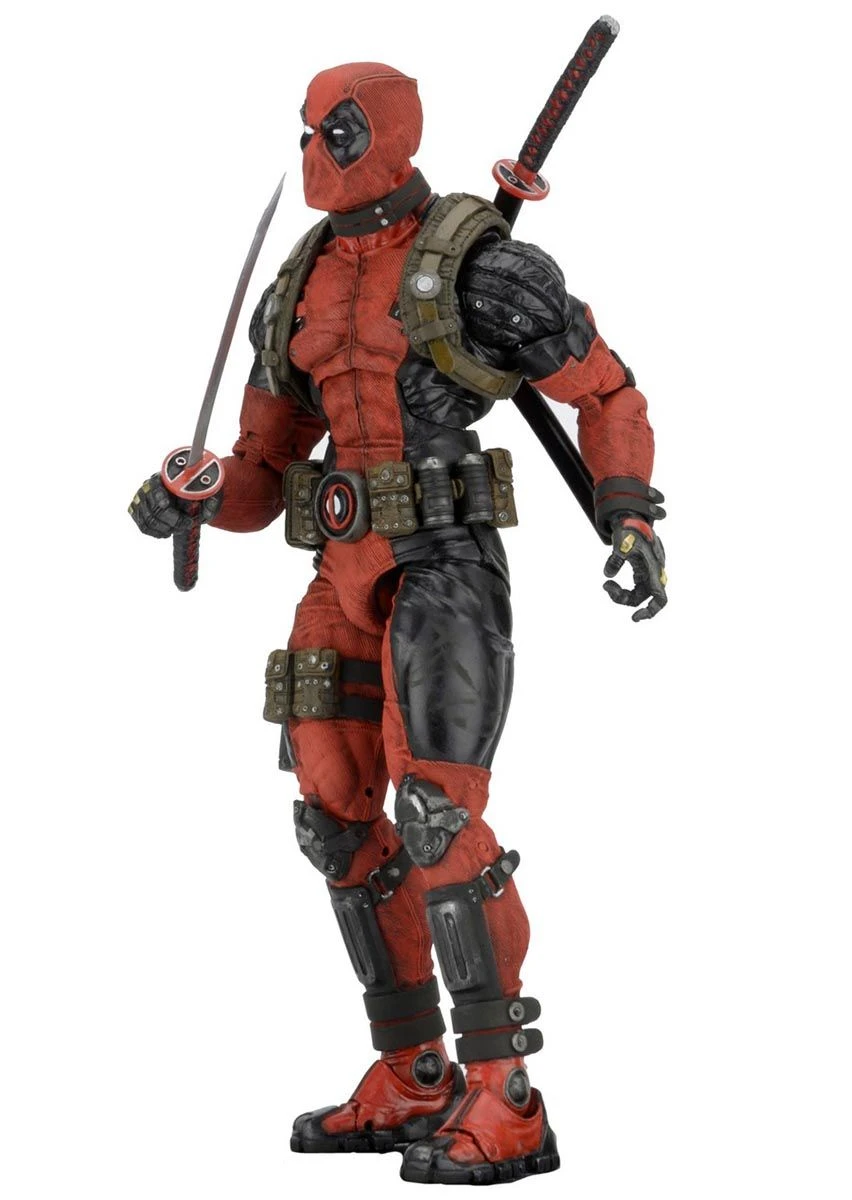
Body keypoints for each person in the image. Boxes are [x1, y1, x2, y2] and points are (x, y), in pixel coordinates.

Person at [129, 61, 666, 1186]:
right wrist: (195, 495)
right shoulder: (300, 285)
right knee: (334, 814)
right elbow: (263, 472)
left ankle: (505, 1094)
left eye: (334, 128)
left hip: (443, 565)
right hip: (338, 564)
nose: (313, 148)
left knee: (436, 814)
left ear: (386, 132)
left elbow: (606, 391)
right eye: (307, 127)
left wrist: (628, 510)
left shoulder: (480, 264)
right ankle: (412, 1070)